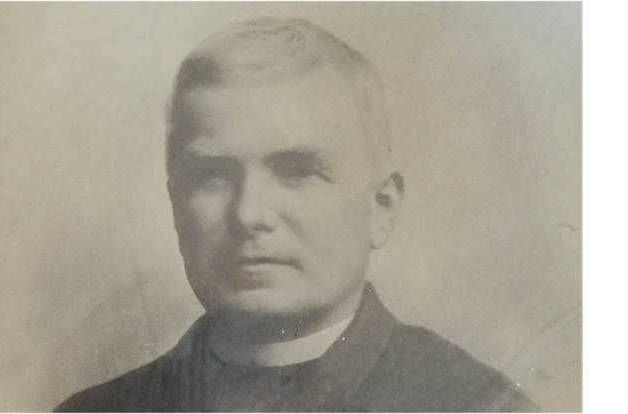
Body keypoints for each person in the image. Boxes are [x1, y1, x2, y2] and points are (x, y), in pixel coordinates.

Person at [55, 16, 537, 412]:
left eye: (296, 171)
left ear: (380, 208)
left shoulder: (481, 405)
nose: (249, 213)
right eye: (213, 175)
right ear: (176, 205)